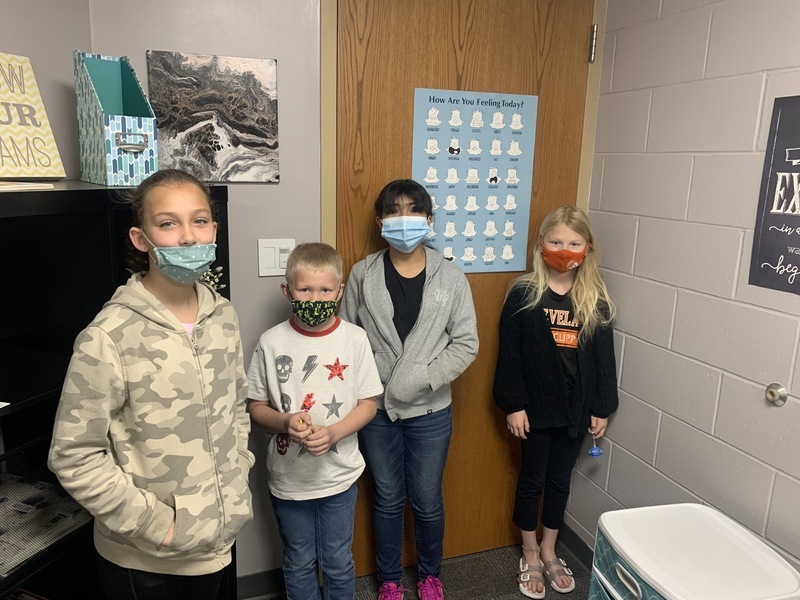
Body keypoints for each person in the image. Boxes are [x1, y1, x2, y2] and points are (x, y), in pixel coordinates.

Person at [48, 169, 254, 600]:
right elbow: (74, 455)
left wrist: (237, 476)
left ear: (214, 230)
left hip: (216, 542)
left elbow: (235, 405)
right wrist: (157, 524)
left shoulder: (223, 316)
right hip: (144, 560)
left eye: (199, 220)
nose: (188, 236)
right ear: (141, 239)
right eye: (168, 223)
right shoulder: (108, 336)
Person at [339, 179, 479, 600]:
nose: (404, 219)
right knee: (386, 498)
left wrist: (423, 378)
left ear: (429, 219)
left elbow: (466, 343)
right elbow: (348, 338)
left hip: (431, 411)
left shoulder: (450, 276)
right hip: (376, 411)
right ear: (380, 220)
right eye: (394, 210)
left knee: (427, 500)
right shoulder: (362, 274)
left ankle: (430, 575)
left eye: (414, 210)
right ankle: (388, 580)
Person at [493, 205, 618, 598]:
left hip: (576, 410)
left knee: (560, 481)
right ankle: (529, 553)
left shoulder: (594, 297)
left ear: (587, 247)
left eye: (574, 243)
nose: (565, 250)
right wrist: (513, 404)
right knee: (532, 480)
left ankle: (549, 549)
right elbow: (509, 355)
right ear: (541, 245)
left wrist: (601, 407)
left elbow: (604, 359)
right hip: (534, 409)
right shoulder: (523, 294)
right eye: (556, 241)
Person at [246, 242, 383, 600]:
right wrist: (285, 421)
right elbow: (256, 406)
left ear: (339, 291)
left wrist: (334, 432)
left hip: (339, 476)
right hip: (289, 479)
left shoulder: (355, 339)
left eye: (324, 290)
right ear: (287, 290)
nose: (315, 297)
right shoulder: (271, 342)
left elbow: (369, 403)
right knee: (298, 560)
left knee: (338, 560)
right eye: (305, 289)